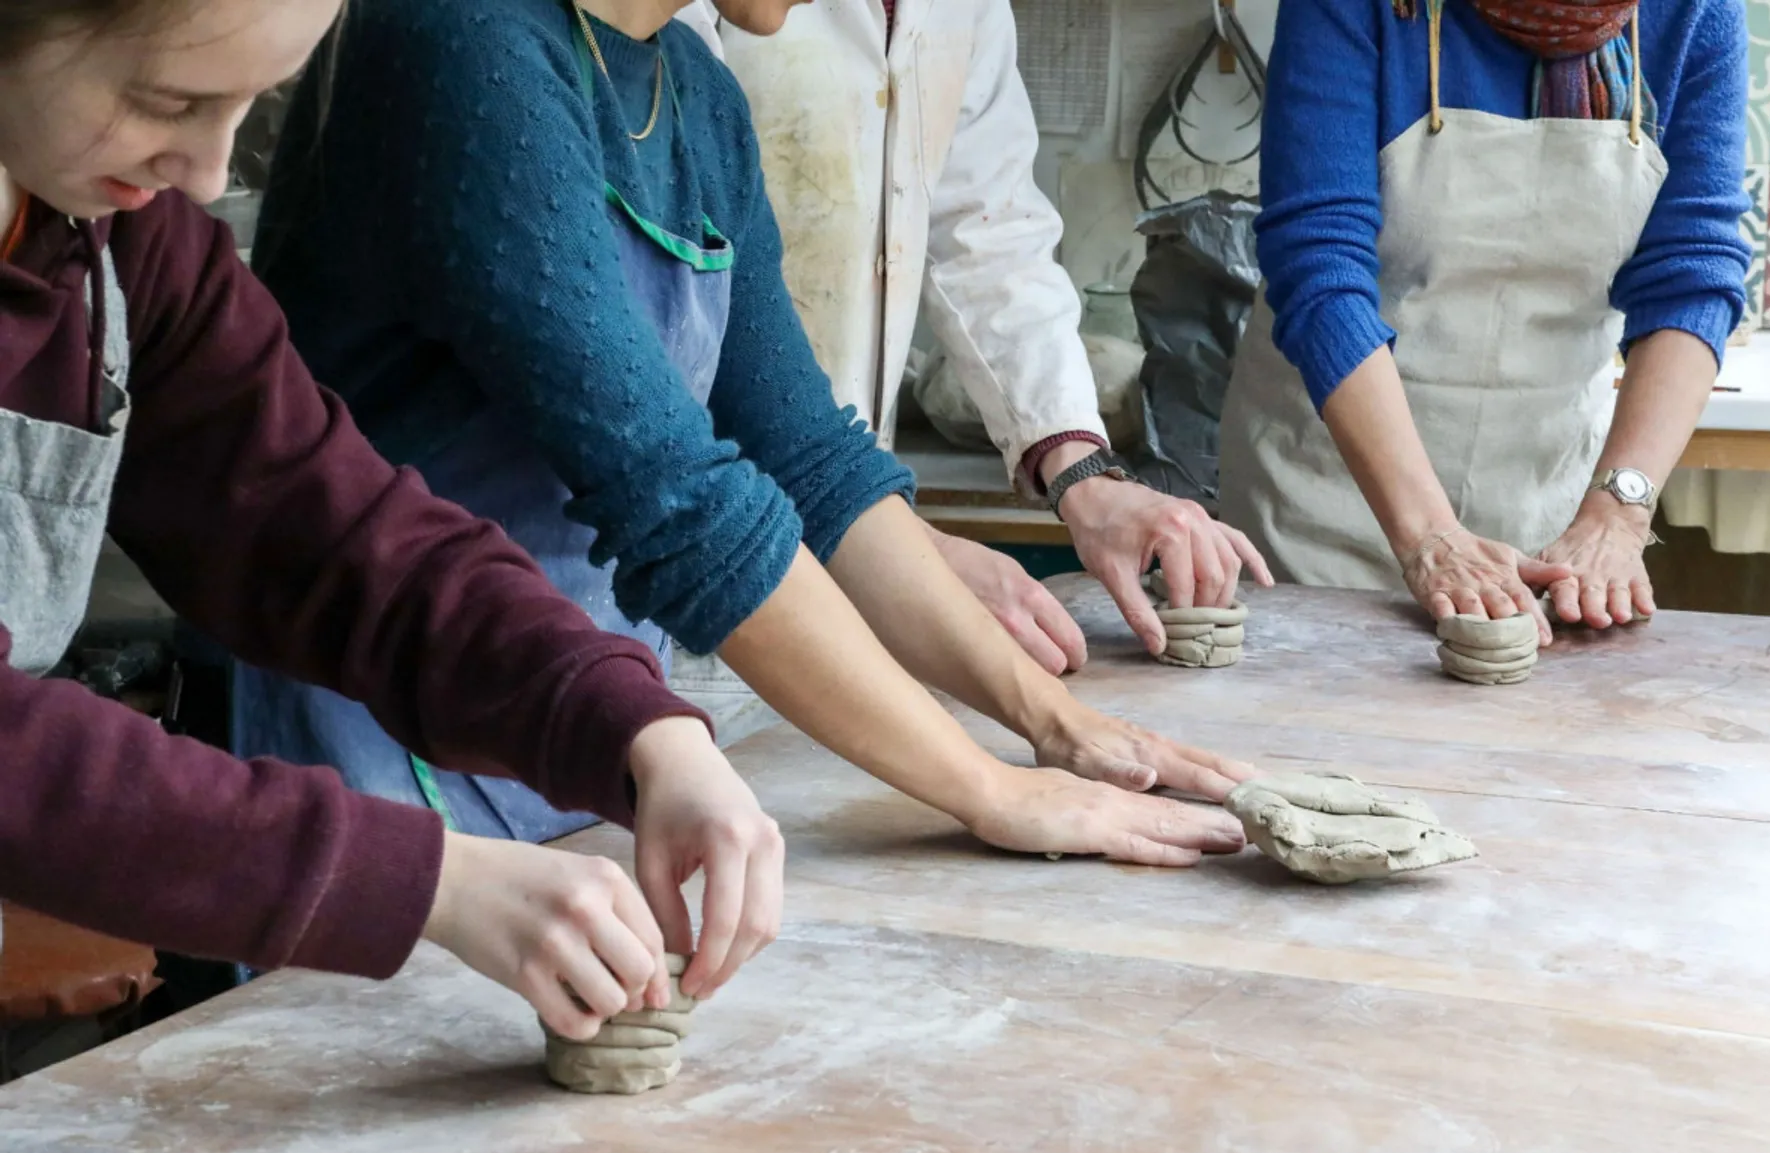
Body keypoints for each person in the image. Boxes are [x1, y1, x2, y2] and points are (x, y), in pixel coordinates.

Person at [244, 0, 1256, 868]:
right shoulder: (463, 43)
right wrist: (989, 791)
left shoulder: (695, 94)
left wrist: (1057, 728)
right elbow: (680, 504)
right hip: (381, 739)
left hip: (579, 727)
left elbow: (811, 461)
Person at [0, 0, 787, 1044]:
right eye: (169, 101)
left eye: (249, 106)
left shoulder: (119, 245)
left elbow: (335, 535)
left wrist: (632, 726)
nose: (204, 168)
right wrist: (425, 879)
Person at [675, 0, 1273, 675]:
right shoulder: (690, 19)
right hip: (681, 521)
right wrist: (899, 554)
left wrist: (1083, 473)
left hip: (838, 508)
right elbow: (678, 308)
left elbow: (988, 233)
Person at [1219, 0, 1749, 641]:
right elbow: (1320, 266)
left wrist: (1617, 512)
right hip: (1324, 499)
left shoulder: (1696, 13)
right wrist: (1429, 536)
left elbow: (1692, 273)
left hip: (1544, 505)